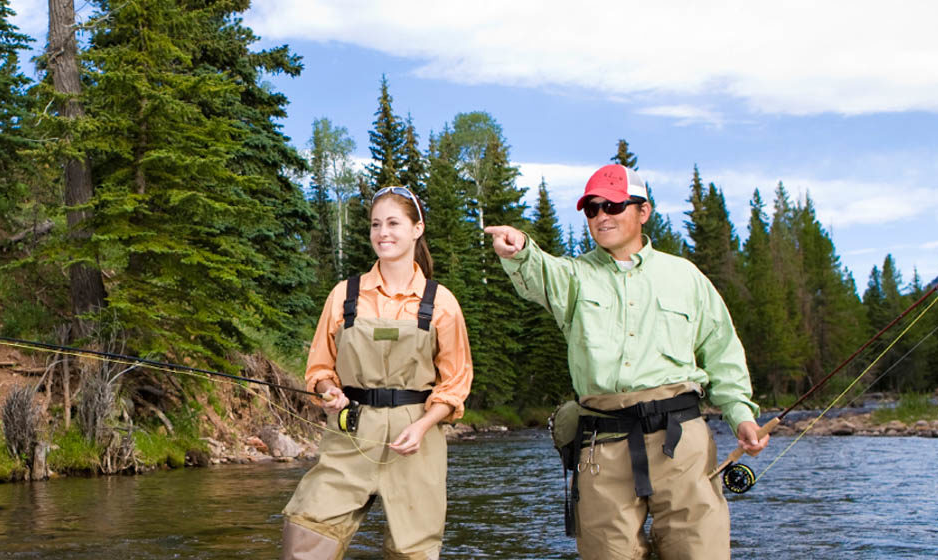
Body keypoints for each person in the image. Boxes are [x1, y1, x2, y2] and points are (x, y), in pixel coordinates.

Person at [482, 164, 770, 560]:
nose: (602, 216)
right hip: (603, 444)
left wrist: (742, 417)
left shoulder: (686, 277)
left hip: (682, 441)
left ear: (643, 210)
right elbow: (539, 273)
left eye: (613, 206)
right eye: (592, 209)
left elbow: (722, 353)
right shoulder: (574, 277)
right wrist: (520, 250)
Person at [282, 186, 473, 560]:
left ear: (417, 229)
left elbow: (455, 384)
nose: (382, 233)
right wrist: (327, 390)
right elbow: (320, 367)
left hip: (415, 436)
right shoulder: (344, 295)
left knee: (413, 550)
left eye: (393, 223)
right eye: (375, 225)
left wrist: (421, 427)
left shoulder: (442, 302)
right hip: (351, 430)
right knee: (306, 530)